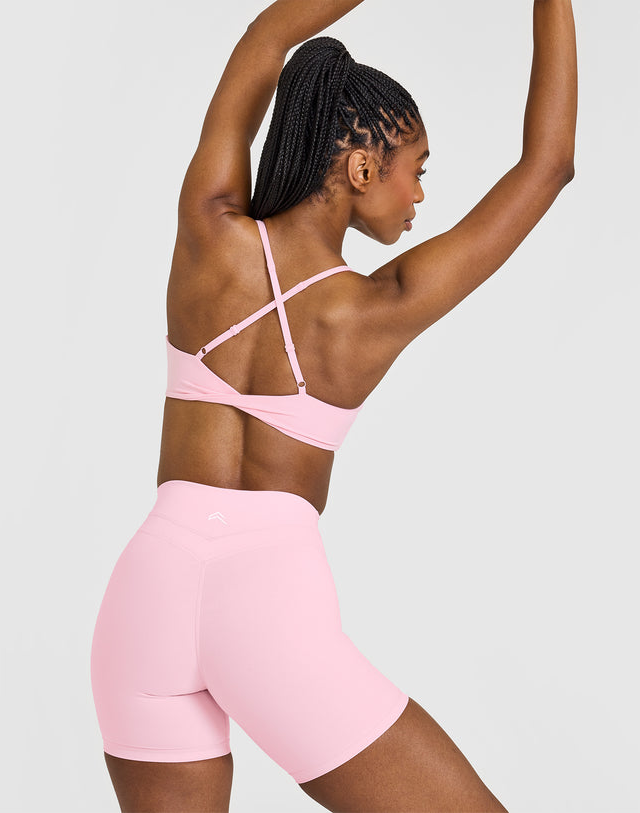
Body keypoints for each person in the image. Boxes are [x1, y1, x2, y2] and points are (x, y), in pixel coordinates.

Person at [90, 0, 577, 809]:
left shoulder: (207, 230)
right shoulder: (376, 308)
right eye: (417, 168)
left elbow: (267, 36)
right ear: (361, 170)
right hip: (264, 604)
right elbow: (547, 166)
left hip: (148, 594)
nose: (420, 194)